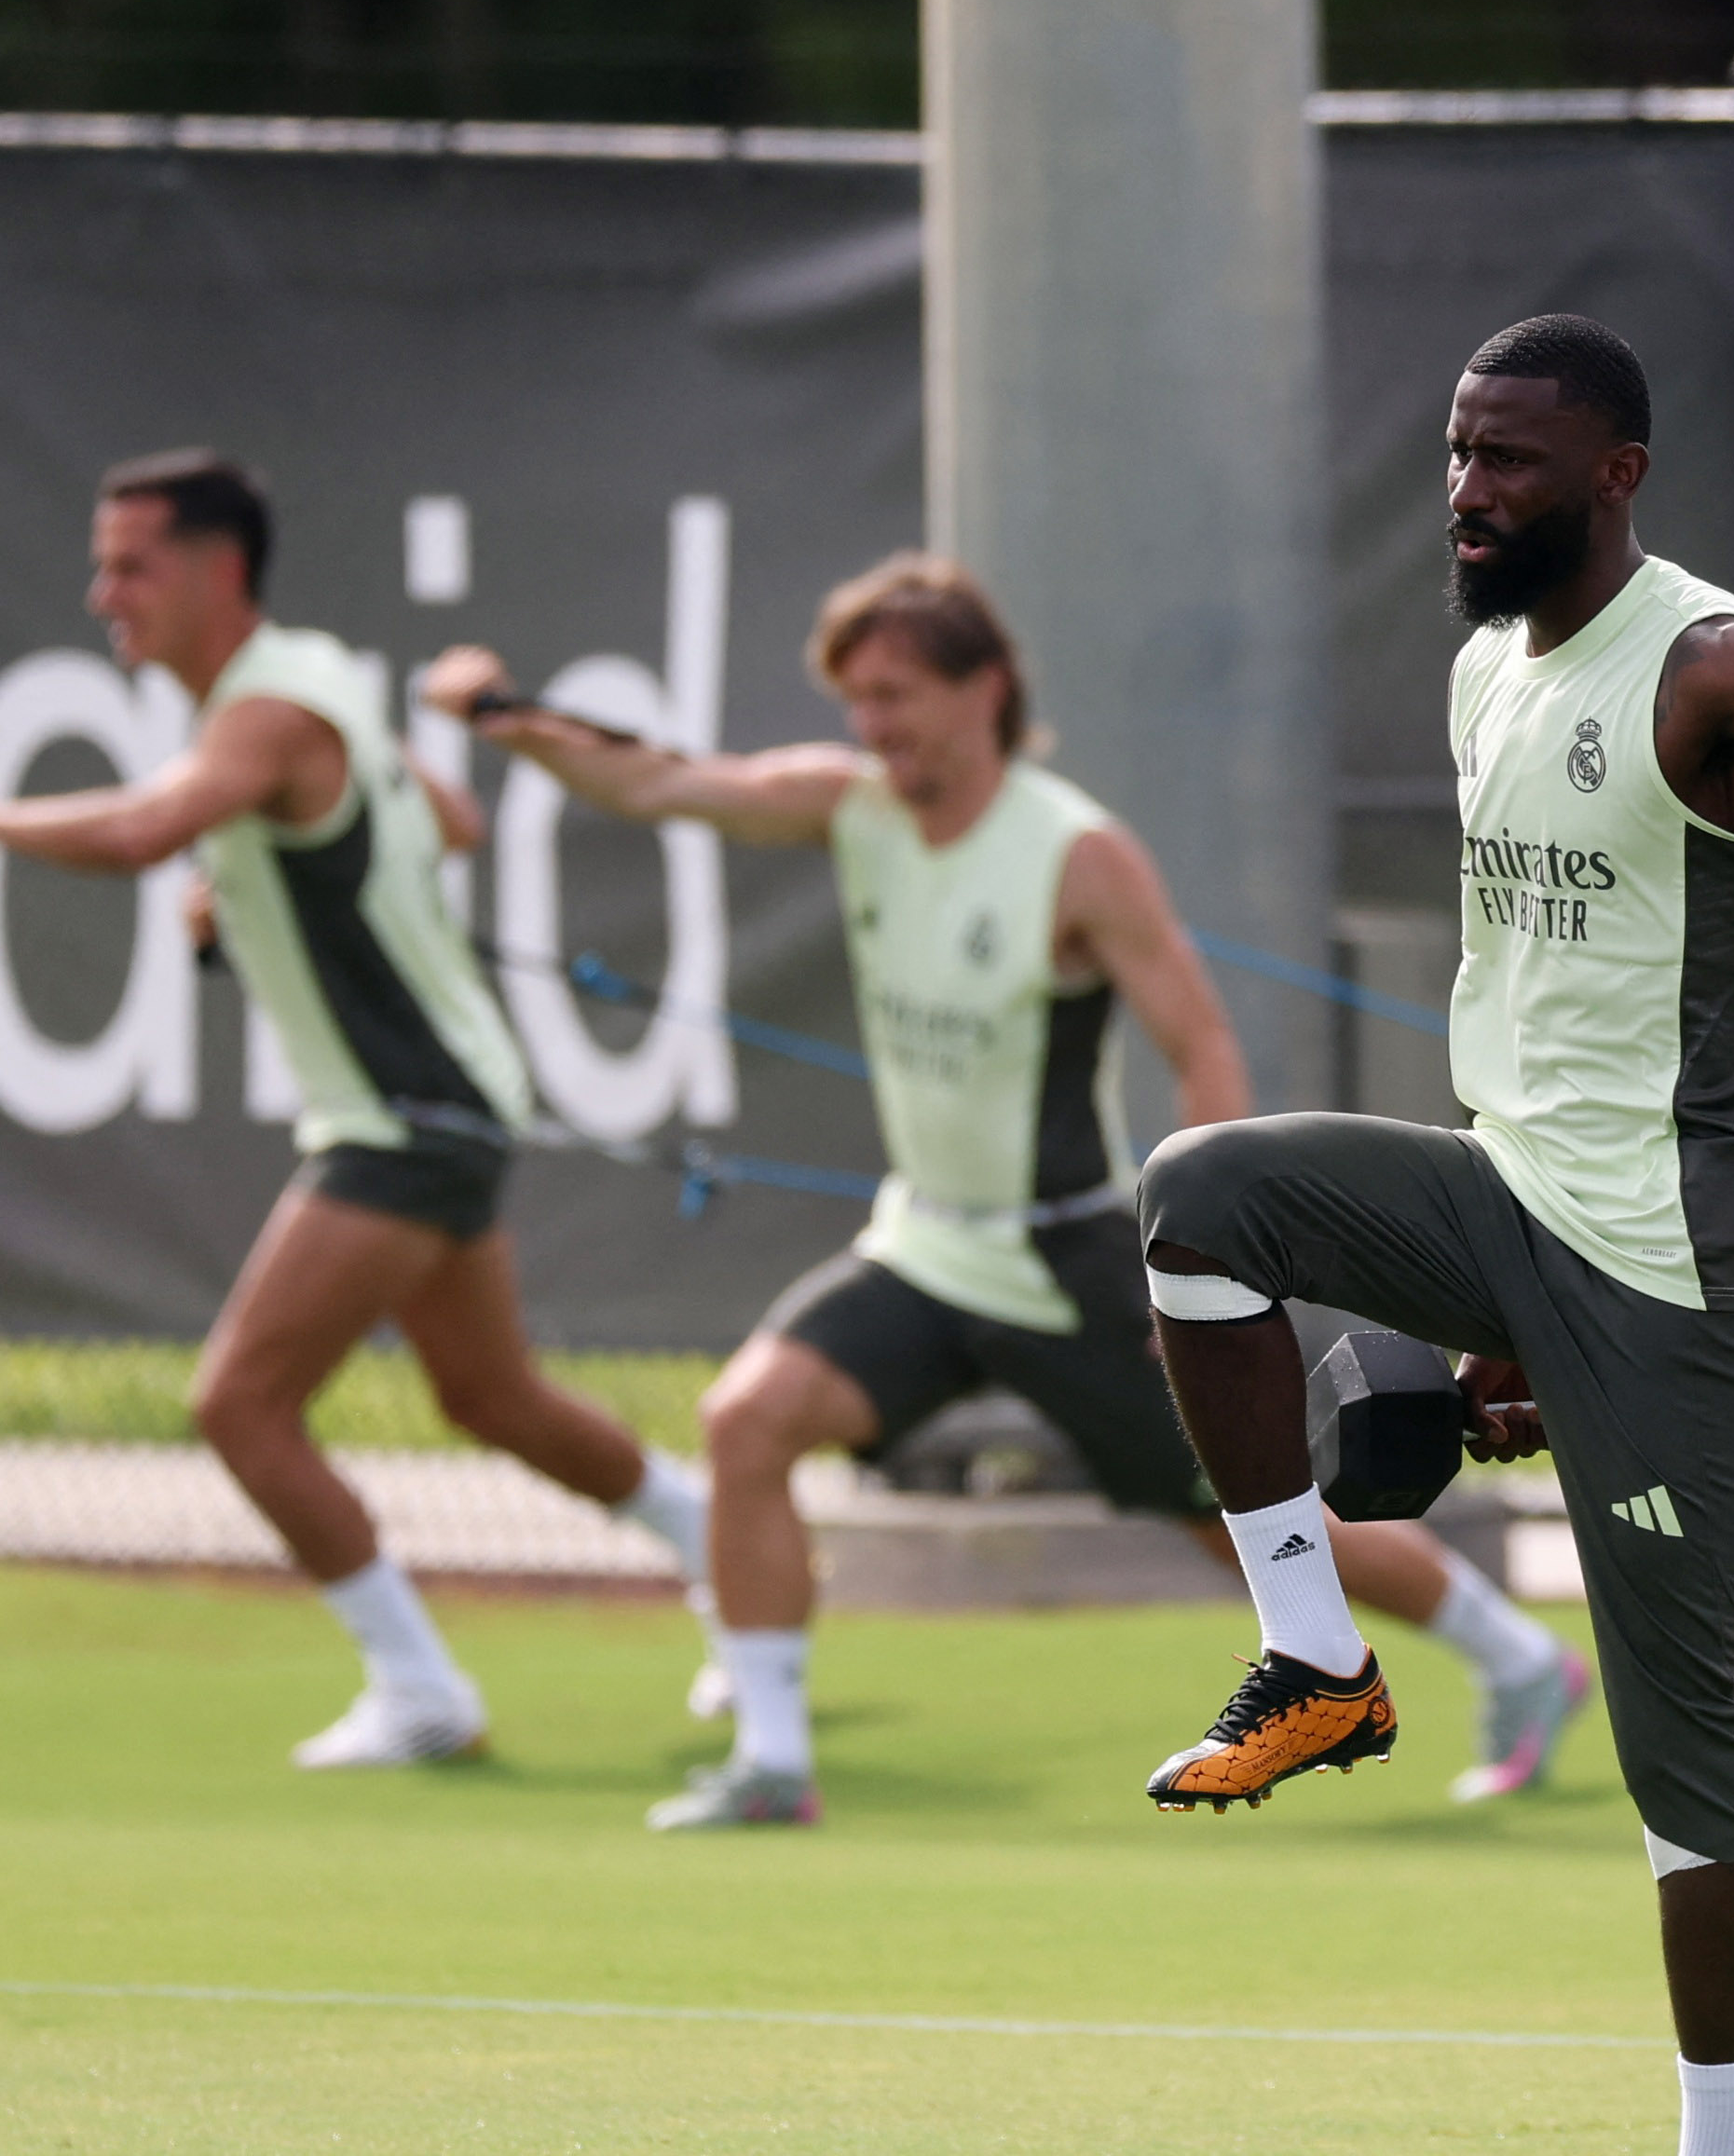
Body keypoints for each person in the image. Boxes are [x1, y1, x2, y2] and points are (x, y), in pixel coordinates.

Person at [1135, 314, 1734, 2156]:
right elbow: (1547, 1001)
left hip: (1694, 1272)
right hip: (1523, 1197)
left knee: (1683, 1744)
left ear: (1617, 472)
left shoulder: (1706, 660)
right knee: (1199, 1202)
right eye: (1457, 452)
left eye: (1513, 460)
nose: (1468, 490)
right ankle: (1315, 1659)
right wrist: (1491, 1298)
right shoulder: (1479, 673)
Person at [421, 553, 1585, 1832]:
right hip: (923, 1247)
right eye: (857, 699)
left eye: (897, 693)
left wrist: (1210, 1269)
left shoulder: (1075, 852)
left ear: (984, 689)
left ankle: (1522, 1661)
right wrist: (498, 714)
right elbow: (655, 779)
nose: (874, 725)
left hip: (1068, 1263)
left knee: (1244, 1516)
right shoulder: (849, 803)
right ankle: (769, 1760)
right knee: (746, 1421)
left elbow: (1200, 1044)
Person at [0, 450, 712, 1768]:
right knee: (491, 1397)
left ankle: (418, 1686)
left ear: (221, 571)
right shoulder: (318, 677)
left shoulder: (268, 714)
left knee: (239, 1404)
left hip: (399, 1115)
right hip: (440, 1104)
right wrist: (270, 876)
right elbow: (443, 818)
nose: (104, 592)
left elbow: (135, 835)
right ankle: (716, 1543)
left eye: (131, 564)